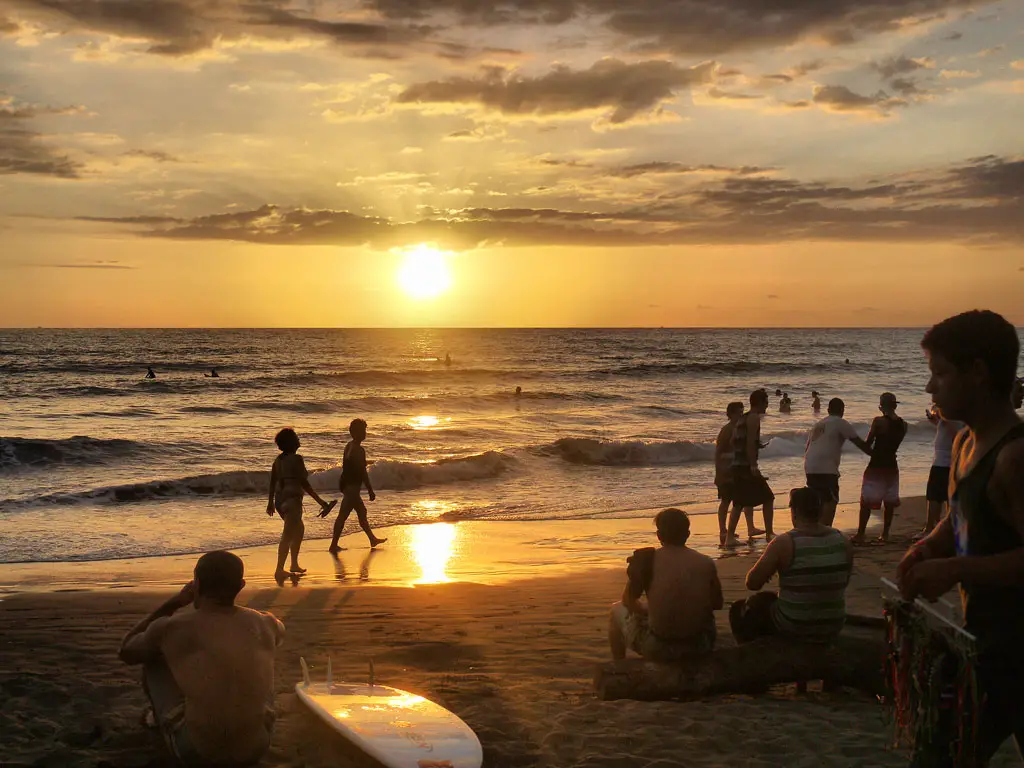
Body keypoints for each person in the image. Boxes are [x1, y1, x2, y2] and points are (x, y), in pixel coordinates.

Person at [898, 310, 1024, 766]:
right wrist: (929, 547)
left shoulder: (1015, 457)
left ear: (977, 372)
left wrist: (953, 570)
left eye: (939, 374)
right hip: (984, 647)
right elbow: (961, 517)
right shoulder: (964, 443)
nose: (931, 387)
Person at [119, 551, 284, 767]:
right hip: (255, 750)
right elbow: (278, 632)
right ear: (241, 585)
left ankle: (156, 719)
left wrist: (173, 603)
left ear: (196, 584)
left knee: (154, 658)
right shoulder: (267, 624)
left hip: (198, 753)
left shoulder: (170, 627)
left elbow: (127, 651)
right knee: (257, 658)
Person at [729, 487, 853, 644]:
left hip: (795, 623)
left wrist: (773, 570)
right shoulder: (843, 540)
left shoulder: (785, 543)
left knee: (741, 608)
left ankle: (749, 654)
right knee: (772, 598)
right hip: (834, 622)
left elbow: (752, 583)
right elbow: (844, 581)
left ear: (794, 511)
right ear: (821, 510)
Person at [609, 508, 722, 661]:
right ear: (687, 534)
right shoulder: (706, 562)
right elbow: (717, 603)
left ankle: (619, 664)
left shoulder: (647, 560)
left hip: (659, 647)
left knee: (616, 609)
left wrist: (645, 609)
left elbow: (627, 600)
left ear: (659, 535)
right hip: (699, 644)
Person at [266, 428, 335, 581]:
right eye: (296, 437)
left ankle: (294, 565)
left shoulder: (277, 460)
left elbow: (272, 482)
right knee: (288, 534)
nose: (299, 439)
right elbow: (304, 483)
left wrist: (270, 503)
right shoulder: (297, 459)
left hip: (280, 501)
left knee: (299, 530)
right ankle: (279, 570)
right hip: (292, 501)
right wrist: (321, 502)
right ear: (291, 443)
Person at [804, 398, 872, 526]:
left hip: (809, 466)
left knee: (817, 500)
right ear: (842, 410)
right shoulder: (841, 423)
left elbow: (807, 447)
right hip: (826, 468)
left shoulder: (818, 424)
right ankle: (826, 530)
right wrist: (877, 455)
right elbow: (859, 443)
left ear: (828, 410)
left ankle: (814, 528)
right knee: (830, 500)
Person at [853, 392, 907, 543]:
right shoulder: (904, 425)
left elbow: (868, 444)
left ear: (880, 406)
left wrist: (854, 440)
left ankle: (861, 534)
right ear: (895, 406)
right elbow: (892, 446)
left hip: (876, 466)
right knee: (889, 502)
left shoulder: (878, 421)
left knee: (866, 501)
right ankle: (885, 534)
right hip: (892, 465)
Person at [325, 418, 387, 550]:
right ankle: (333, 545)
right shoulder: (359, 450)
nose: (365, 433)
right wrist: (370, 490)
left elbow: (346, 467)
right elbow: (362, 471)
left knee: (361, 512)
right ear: (356, 432)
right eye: (363, 430)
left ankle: (372, 539)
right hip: (352, 487)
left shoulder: (349, 446)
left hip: (347, 484)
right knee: (343, 515)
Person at [726, 388, 776, 542]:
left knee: (739, 502)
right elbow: (749, 443)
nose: (767, 406)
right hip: (746, 466)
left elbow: (733, 441)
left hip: (737, 464)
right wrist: (753, 465)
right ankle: (769, 533)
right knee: (768, 497)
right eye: (766, 402)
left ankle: (729, 538)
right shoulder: (754, 418)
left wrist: (756, 446)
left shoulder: (742, 418)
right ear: (760, 402)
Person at [715, 401, 763, 546]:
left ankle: (751, 527)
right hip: (725, 471)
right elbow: (719, 453)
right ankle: (723, 530)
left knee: (744, 497)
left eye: (743, 413)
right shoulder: (727, 430)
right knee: (726, 500)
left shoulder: (739, 429)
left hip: (737, 468)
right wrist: (720, 471)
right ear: (730, 414)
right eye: (738, 413)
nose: (741, 416)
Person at [920, 405, 965, 538]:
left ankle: (929, 528)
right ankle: (947, 526)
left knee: (934, 497)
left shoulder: (949, 418)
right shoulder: (956, 419)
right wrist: (935, 420)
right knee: (947, 496)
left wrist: (937, 414)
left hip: (942, 463)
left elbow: (954, 434)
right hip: (951, 462)